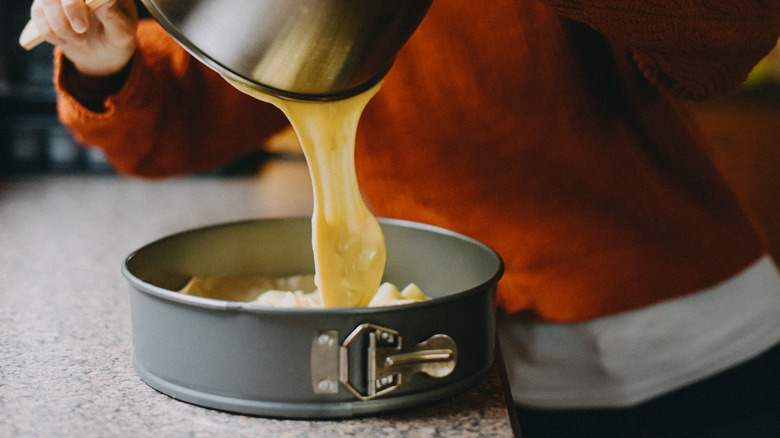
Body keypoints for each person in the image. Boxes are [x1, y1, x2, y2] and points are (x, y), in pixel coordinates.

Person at [30, 0, 780, 435]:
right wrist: (105, 58)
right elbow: (184, 115)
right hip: (451, 374)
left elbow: (733, 33)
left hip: (691, 348)